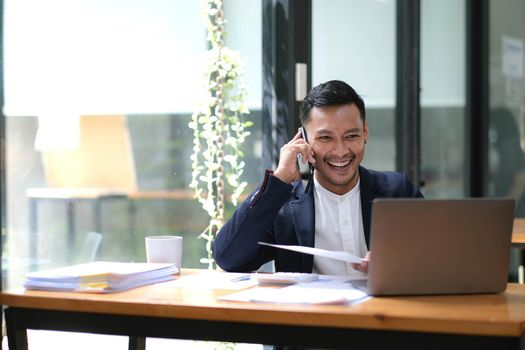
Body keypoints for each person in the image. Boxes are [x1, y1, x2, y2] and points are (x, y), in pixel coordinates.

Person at [212, 80, 423, 275]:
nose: (340, 151)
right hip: (312, 315)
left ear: (365, 132)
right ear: (303, 138)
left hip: (381, 313)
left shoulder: (399, 192)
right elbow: (229, 259)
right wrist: (278, 180)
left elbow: (438, 257)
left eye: (351, 136)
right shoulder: (282, 206)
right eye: (325, 137)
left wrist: (401, 260)